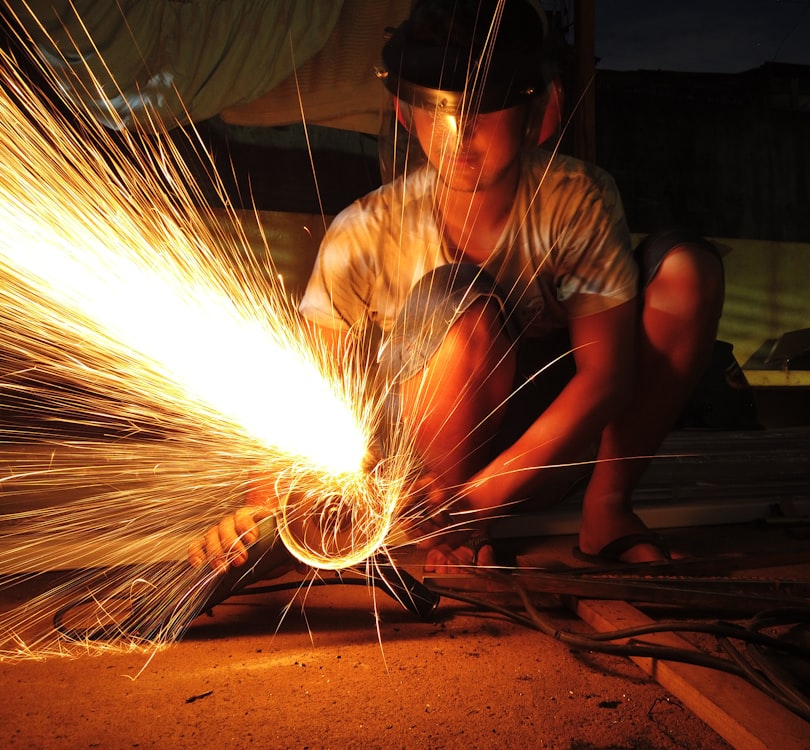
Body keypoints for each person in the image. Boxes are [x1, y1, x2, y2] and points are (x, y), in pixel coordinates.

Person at [189, 0, 724, 577]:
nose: (459, 133)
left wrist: (478, 502)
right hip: (419, 476)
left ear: (538, 114)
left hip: (537, 460)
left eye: (485, 110)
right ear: (403, 109)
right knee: (457, 305)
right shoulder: (363, 233)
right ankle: (444, 531)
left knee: (687, 270)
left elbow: (606, 378)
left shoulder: (575, 202)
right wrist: (260, 508)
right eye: (438, 108)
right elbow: (303, 402)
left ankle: (607, 512)